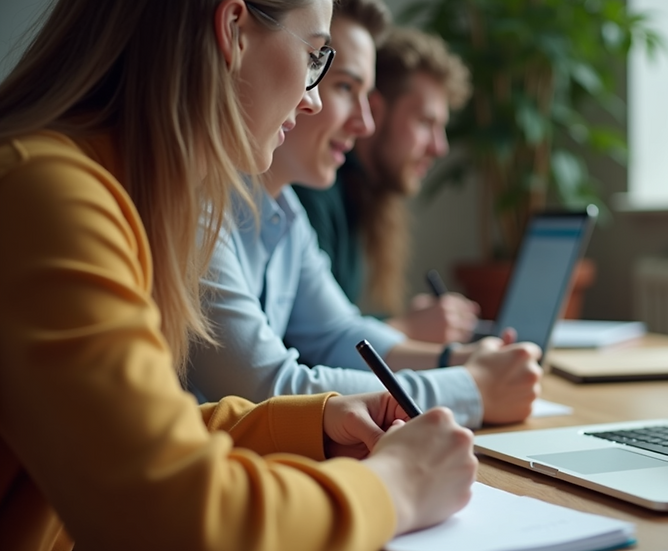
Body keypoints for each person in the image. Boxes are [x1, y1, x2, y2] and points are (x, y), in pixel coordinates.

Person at [0, 1, 477, 549]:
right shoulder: (48, 200)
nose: (313, 98)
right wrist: (397, 486)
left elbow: (122, 437)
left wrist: (311, 423)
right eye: (314, 57)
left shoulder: (101, 191)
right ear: (232, 30)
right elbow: (172, 514)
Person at [189, 0, 543, 429]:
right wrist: (470, 387)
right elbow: (269, 387)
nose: (365, 123)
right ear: (235, 36)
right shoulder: (196, 211)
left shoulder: (284, 211)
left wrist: (458, 360)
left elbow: (338, 333)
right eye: (340, 84)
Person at [294, 28, 479, 344]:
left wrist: (405, 325)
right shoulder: (315, 189)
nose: (439, 147)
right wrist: (406, 329)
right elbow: (310, 344)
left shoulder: (358, 193)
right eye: (425, 123)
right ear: (376, 111)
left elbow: (332, 326)